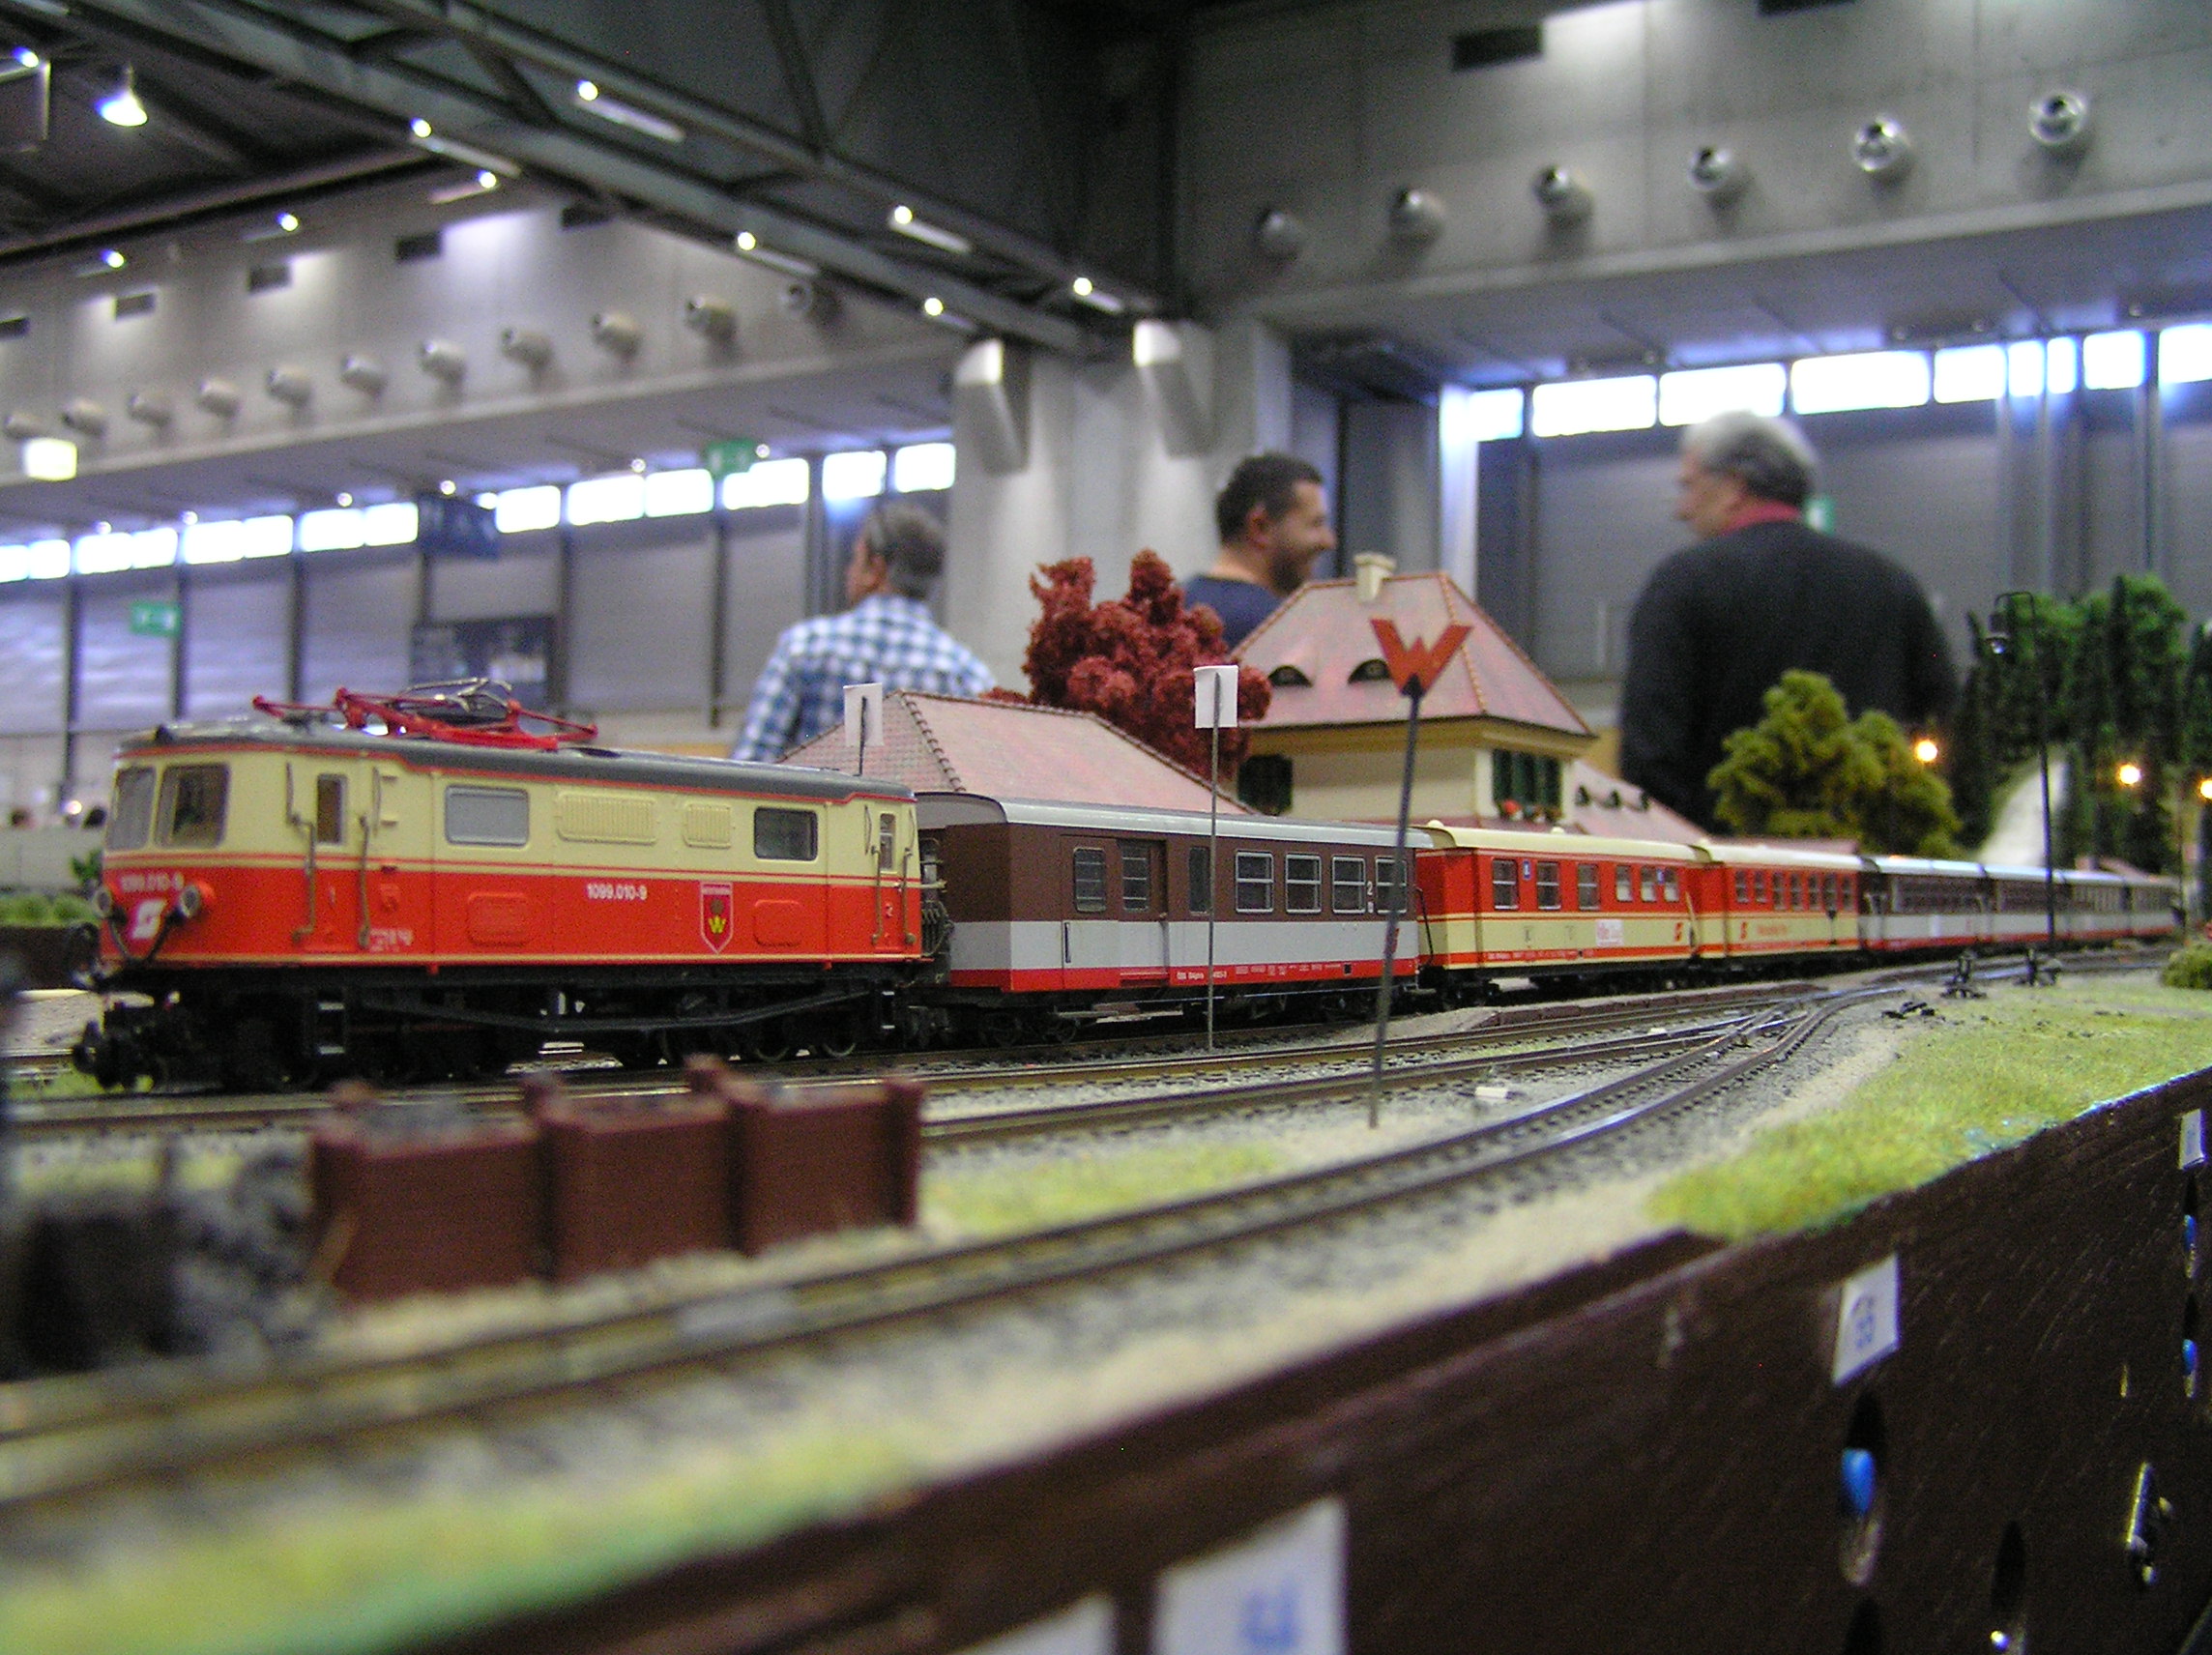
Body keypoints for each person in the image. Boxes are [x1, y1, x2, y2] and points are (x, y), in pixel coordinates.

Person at [1619, 411, 1956, 831]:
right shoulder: (1891, 583)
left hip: (1727, 856)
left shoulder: (1682, 584)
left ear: (1734, 486)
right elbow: (1941, 717)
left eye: (1688, 486)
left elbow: (1650, 752)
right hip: (1871, 851)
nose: (1681, 510)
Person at [730, 503, 994, 763]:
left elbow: (750, 762)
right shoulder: (966, 675)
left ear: (875, 569)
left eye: (855, 559)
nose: (849, 571)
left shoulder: (805, 647)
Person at [1185, 452, 1338, 650]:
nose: (1329, 541)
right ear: (1260, 527)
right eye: (1315, 523)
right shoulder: (1281, 630)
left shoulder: (1167, 613)